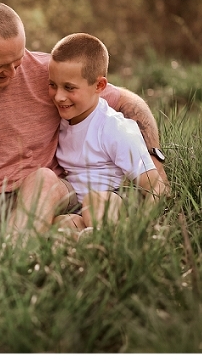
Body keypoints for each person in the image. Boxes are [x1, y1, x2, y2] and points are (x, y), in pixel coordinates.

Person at [0, 2, 168, 236]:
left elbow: (129, 102)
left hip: (44, 195)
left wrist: (152, 159)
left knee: (45, 181)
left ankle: (15, 255)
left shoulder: (49, 73)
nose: (13, 73)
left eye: (17, 61)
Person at [47, 33, 164, 231]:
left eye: (69, 88)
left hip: (114, 201)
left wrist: (145, 226)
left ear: (100, 86)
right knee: (60, 226)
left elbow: (156, 188)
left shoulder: (114, 127)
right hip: (79, 207)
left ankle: (115, 241)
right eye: (52, 85)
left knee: (95, 202)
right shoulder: (65, 120)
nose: (58, 96)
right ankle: (90, 244)